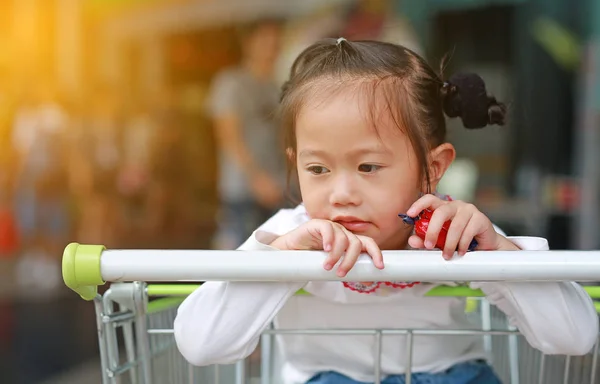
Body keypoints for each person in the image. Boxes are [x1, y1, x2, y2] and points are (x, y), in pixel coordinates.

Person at [174, 39, 598, 384]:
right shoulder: (289, 234)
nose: (340, 194)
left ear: (432, 169)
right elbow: (201, 345)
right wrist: (282, 259)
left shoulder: (455, 231)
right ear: (294, 164)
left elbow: (575, 337)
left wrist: (496, 253)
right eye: (318, 168)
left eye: (368, 167)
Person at [206, 18, 288, 249]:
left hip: (277, 187)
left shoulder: (276, 87)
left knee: (273, 258)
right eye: (265, 40)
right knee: (239, 259)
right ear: (248, 43)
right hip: (242, 188)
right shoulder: (231, 82)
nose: (272, 46)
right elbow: (227, 136)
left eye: (276, 40)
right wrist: (256, 179)